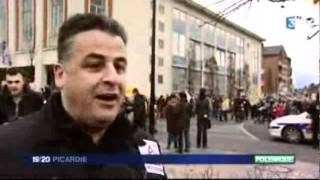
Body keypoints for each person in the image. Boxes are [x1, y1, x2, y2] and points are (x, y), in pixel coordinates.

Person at [0, 14, 166, 178]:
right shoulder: (8, 147)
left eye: (119, 67)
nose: (113, 77)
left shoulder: (145, 146)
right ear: (60, 75)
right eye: (95, 65)